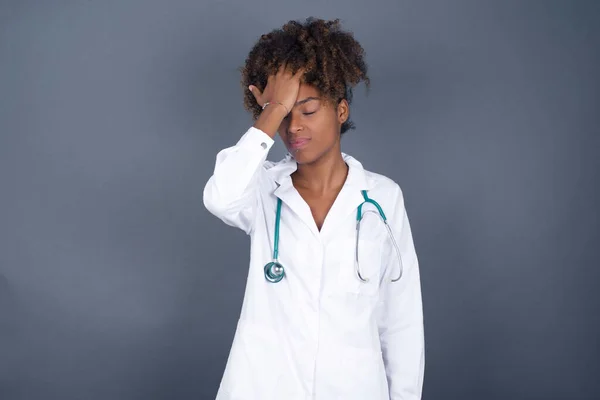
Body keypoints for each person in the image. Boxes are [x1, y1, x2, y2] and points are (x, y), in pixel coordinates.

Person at [203, 17, 425, 400]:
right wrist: (271, 111)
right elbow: (219, 197)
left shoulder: (382, 198)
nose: (293, 128)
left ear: (341, 111)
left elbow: (401, 319)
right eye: (285, 116)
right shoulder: (261, 188)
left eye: (307, 110)